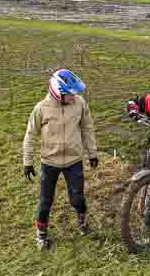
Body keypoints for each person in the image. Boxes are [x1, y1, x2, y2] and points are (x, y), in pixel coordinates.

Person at [23, 69, 99, 250]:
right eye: (70, 95)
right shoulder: (41, 109)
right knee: (45, 202)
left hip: (74, 161)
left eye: (75, 94)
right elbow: (30, 135)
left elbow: (87, 128)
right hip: (49, 162)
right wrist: (27, 162)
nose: (74, 97)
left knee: (78, 199)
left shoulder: (80, 103)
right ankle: (41, 235)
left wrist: (92, 153)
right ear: (58, 93)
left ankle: (82, 223)